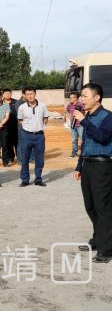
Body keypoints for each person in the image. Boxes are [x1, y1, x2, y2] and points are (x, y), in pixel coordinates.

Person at [72, 82, 112, 263]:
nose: (81, 99)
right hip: (88, 165)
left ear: (97, 98)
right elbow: (85, 144)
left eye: (85, 96)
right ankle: (98, 239)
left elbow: (102, 137)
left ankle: (107, 249)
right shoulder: (86, 116)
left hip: (102, 166)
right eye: (81, 96)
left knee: (103, 208)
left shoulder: (107, 117)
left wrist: (84, 120)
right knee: (90, 206)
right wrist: (79, 166)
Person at [17, 86, 48, 187]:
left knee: (39, 159)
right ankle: (25, 179)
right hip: (26, 135)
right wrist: (29, 127)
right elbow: (20, 120)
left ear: (35, 94)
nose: (30, 96)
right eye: (27, 94)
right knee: (24, 158)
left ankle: (38, 179)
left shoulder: (43, 106)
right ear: (24, 96)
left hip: (39, 136)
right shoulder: (22, 107)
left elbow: (45, 119)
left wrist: (39, 126)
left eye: (31, 94)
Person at [0, 91, 12, 166]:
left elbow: (7, 116)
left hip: (3, 127)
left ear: (1, 97)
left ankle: (5, 162)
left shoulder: (6, 105)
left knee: (4, 145)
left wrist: (1, 123)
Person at [66, 91, 84, 158]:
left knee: (82, 139)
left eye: (72, 97)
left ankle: (84, 153)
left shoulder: (81, 105)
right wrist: (69, 119)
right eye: (70, 98)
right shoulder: (69, 105)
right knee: (74, 140)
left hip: (80, 125)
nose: (70, 99)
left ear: (76, 98)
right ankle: (74, 153)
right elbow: (67, 111)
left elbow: (86, 112)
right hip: (73, 125)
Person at [2, 88, 18, 163]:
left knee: (17, 142)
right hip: (5, 127)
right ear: (3, 94)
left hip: (16, 126)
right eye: (6, 93)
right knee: (8, 143)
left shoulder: (16, 102)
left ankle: (19, 157)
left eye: (9, 93)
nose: (8, 95)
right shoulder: (1, 103)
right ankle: (11, 157)